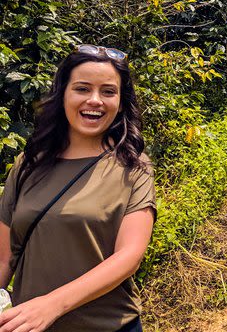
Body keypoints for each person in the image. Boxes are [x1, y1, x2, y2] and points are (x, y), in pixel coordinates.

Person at [0, 45, 156, 332]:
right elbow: (4, 256)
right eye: (82, 89)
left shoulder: (133, 167)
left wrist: (51, 305)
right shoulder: (27, 164)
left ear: (121, 102)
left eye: (108, 91)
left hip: (110, 326)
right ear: (63, 96)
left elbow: (128, 256)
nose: (94, 100)